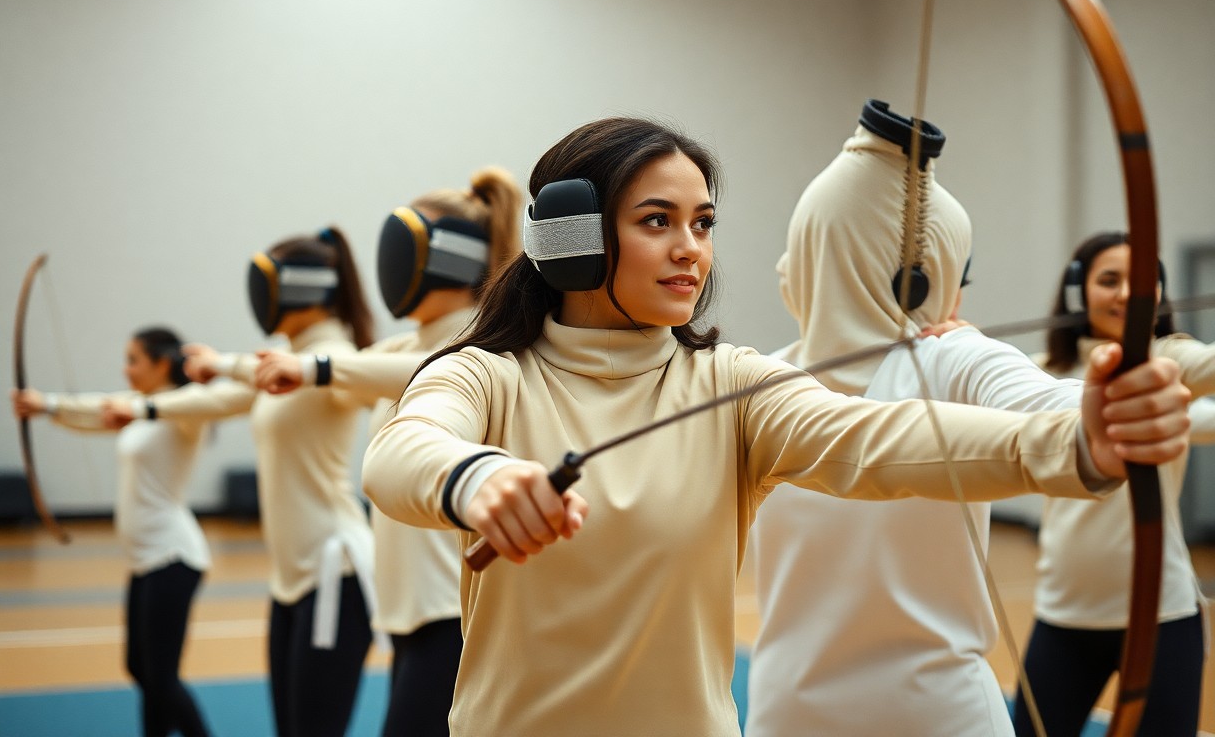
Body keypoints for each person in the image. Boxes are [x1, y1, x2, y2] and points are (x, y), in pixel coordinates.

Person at [360, 116, 1190, 737]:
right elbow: (403, 449)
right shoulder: (488, 375)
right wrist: (478, 479)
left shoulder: (733, 384)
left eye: (704, 223)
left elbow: (880, 441)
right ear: (572, 239)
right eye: (658, 221)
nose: (691, 248)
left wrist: (1076, 443)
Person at [744, 100, 1187, 736]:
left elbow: (1046, 403)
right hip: (787, 716)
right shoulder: (756, 380)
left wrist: (1107, 415)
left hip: (936, 717)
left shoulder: (951, 358)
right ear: (923, 281)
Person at [252, 167, 523, 737]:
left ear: (446, 259)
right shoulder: (407, 344)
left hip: (455, 615)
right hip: (408, 616)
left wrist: (314, 365)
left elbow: (421, 370)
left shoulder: (481, 344)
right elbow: (370, 368)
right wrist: (267, 368)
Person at [104, 227, 378, 737]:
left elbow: (357, 374)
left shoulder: (332, 356)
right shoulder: (281, 362)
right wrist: (140, 407)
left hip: (333, 575)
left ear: (298, 290)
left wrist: (224, 364)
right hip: (290, 581)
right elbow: (215, 400)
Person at [1010, 230, 1215, 737]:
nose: (1126, 293)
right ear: (1079, 292)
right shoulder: (1043, 372)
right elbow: (969, 396)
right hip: (1065, 614)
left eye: (1141, 281)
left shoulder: (1168, 360)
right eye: (1109, 281)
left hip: (1161, 617)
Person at [11, 327, 212, 737]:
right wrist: (46, 406)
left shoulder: (186, 413)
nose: (126, 370)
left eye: (133, 360)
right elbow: (97, 411)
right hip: (145, 560)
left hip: (173, 557)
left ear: (161, 363)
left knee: (160, 676)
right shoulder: (141, 406)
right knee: (140, 668)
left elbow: (197, 403)